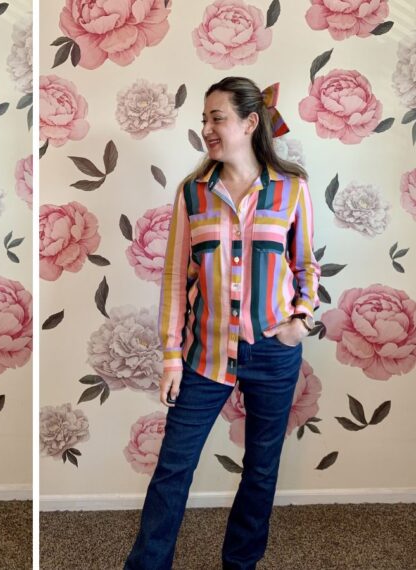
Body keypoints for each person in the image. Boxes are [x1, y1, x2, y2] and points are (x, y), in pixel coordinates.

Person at [125, 77, 321, 570]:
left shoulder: (291, 191)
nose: (207, 128)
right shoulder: (193, 194)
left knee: (260, 470)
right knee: (173, 469)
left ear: (250, 123)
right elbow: (174, 281)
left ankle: (240, 564)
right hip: (204, 354)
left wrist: (300, 319)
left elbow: (305, 267)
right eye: (204, 119)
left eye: (218, 118)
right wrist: (172, 357)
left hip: (274, 354)